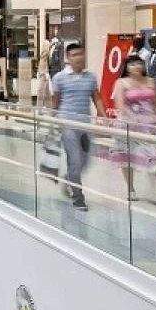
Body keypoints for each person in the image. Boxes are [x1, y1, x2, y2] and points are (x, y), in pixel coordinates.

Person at [49, 43, 106, 212]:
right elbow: (55, 102)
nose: (78, 58)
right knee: (74, 160)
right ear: (68, 58)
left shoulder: (91, 77)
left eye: (80, 54)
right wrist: (52, 120)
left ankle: (69, 178)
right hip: (68, 124)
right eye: (74, 55)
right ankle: (78, 196)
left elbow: (97, 98)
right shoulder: (59, 78)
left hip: (85, 124)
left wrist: (103, 115)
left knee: (85, 161)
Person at [112, 56, 156, 200]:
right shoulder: (121, 83)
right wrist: (133, 118)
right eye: (132, 64)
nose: (136, 66)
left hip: (149, 124)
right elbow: (120, 105)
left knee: (153, 155)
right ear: (127, 68)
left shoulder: (150, 81)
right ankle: (130, 188)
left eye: (138, 63)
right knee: (127, 156)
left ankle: (155, 190)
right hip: (128, 123)